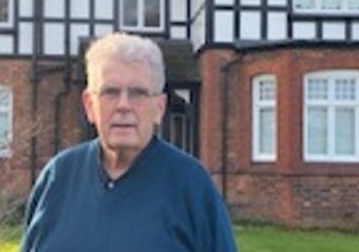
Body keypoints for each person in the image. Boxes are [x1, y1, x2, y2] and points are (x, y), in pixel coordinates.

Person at [21, 32, 237, 252]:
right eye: (110, 92)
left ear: (159, 107)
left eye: (138, 93)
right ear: (89, 105)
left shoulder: (192, 186)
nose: (123, 105)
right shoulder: (57, 179)